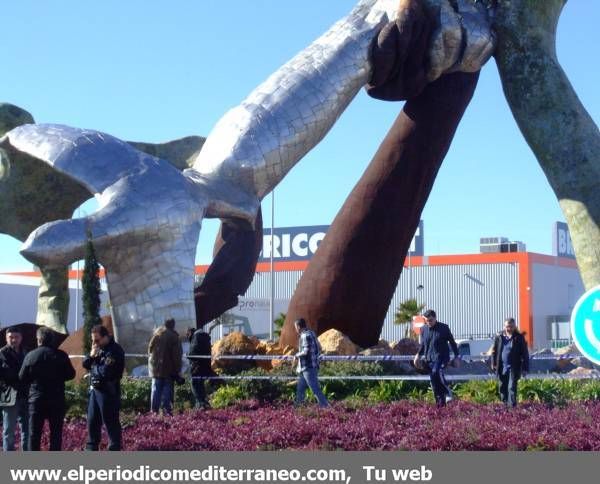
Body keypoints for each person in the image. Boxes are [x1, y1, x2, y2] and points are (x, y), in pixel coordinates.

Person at [19, 327, 75, 451]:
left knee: (34, 433)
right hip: (56, 399)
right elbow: (71, 374)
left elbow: (22, 377)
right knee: (56, 433)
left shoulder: (31, 356)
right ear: (52, 340)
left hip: (36, 399)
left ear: (39, 340)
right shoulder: (61, 355)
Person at [82, 325, 125, 450]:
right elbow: (85, 363)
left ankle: (114, 449)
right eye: (93, 340)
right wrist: (91, 355)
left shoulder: (114, 350)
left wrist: (93, 368)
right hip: (95, 391)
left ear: (106, 337)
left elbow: (105, 372)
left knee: (110, 422)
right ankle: (91, 448)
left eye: (97, 340)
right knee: (92, 421)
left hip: (108, 391)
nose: (95, 343)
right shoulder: (98, 349)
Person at [414, 309, 460, 407]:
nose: (429, 322)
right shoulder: (423, 329)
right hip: (429, 358)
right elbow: (423, 345)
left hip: (442, 357)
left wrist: (456, 356)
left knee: (436, 371)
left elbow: (452, 343)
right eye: (426, 321)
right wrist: (417, 355)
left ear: (435, 318)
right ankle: (440, 406)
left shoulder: (444, 328)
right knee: (434, 383)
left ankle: (448, 392)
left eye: (430, 320)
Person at [0, 326, 29, 451]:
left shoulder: (26, 353)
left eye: (16, 337)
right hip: (9, 396)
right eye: (11, 337)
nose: (13, 340)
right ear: (6, 338)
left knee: (27, 430)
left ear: (21, 338)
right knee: (8, 431)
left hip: (25, 394)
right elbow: (5, 374)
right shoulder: (2, 353)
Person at [491, 317, 529, 407]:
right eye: (507, 326)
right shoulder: (499, 337)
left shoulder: (519, 337)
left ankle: (512, 407)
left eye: (511, 326)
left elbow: (525, 354)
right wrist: (493, 363)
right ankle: (504, 407)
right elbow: (494, 351)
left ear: (514, 326)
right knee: (502, 387)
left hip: (514, 367)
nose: (509, 328)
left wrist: (525, 368)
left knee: (511, 387)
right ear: (504, 326)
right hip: (501, 367)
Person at [148, 318, 183, 414]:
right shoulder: (174, 337)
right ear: (173, 325)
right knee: (167, 391)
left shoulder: (157, 335)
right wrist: (178, 370)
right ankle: (167, 411)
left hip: (156, 369)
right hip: (168, 370)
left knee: (155, 391)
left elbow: (150, 349)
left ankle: (153, 411)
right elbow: (177, 356)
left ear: (165, 324)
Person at [293, 318, 328, 408]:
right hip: (310, 366)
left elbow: (306, 351)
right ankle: (298, 407)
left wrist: (296, 355)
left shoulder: (304, 336)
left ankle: (325, 407)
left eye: (295, 327)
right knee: (300, 389)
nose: (295, 329)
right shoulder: (312, 333)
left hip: (308, 367)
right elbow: (319, 347)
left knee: (315, 389)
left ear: (299, 326)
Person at [187, 327, 215, 409]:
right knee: (201, 385)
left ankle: (201, 403)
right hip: (205, 366)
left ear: (191, 333)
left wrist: (187, 355)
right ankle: (203, 403)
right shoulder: (205, 338)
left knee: (194, 384)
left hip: (196, 367)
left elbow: (192, 353)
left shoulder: (196, 338)